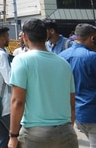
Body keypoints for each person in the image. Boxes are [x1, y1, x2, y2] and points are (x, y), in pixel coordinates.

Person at [8, 19, 77, 148]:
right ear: (46, 36)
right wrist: (68, 127)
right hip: (66, 131)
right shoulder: (64, 63)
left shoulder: (21, 60)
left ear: (24, 37)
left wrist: (13, 135)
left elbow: (18, 101)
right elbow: (72, 102)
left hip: (35, 133)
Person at [59, 23, 96, 147]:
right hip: (95, 113)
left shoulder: (61, 57)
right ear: (92, 38)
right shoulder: (93, 58)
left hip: (76, 113)